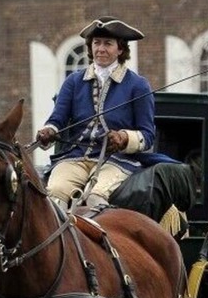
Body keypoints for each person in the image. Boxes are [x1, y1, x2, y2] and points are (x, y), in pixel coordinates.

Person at [35, 16, 171, 208]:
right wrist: (49, 131)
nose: (100, 49)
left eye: (108, 44)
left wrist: (124, 138)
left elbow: (147, 136)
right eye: (96, 43)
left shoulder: (138, 85)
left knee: (94, 197)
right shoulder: (73, 81)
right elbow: (57, 120)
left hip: (117, 160)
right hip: (76, 158)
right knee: (55, 195)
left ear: (120, 49)